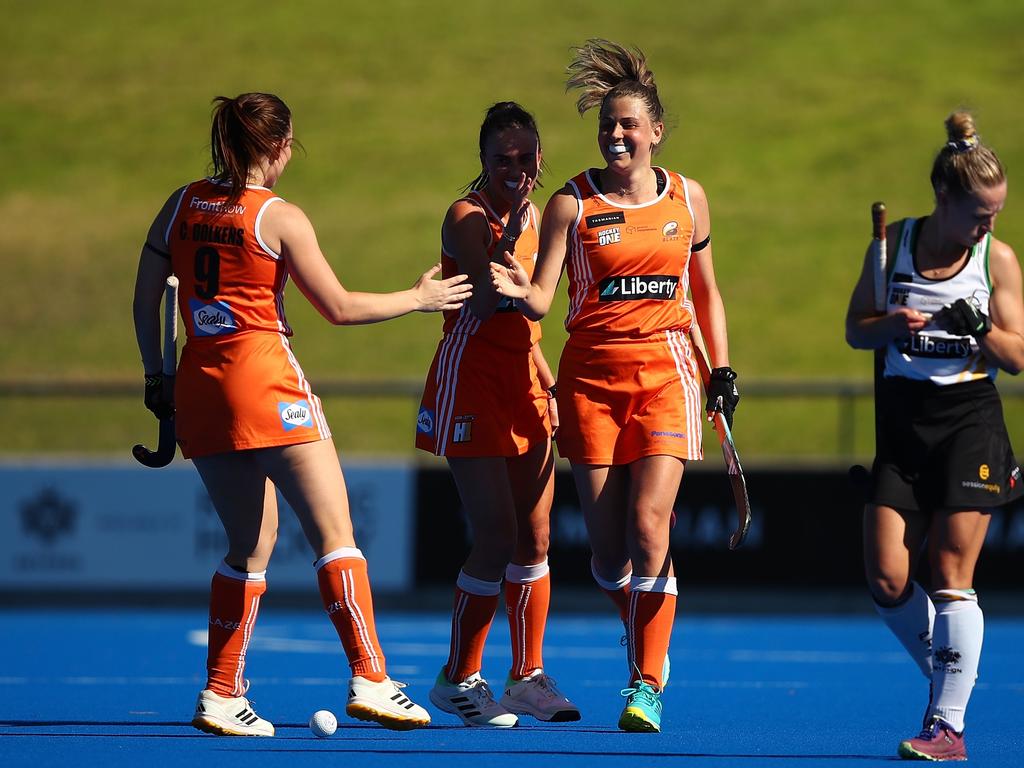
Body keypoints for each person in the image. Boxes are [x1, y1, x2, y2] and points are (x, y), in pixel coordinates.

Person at [132, 92, 472, 736]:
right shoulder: (279, 217)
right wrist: (420, 296)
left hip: (201, 386)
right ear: (282, 147)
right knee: (334, 535)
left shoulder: (180, 204)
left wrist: (157, 374)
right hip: (266, 381)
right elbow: (338, 307)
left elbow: (147, 294)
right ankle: (371, 677)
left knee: (248, 547)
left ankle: (221, 692)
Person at [490, 40, 738, 733]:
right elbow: (543, 301)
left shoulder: (688, 198)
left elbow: (707, 292)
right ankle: (646, 628)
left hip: (667, 374)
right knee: (605, 553)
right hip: (591, 383)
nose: (617, 134)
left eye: (629, 123)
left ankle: (648, 681)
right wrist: (514, 287)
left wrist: (721, 367)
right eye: (608, 125)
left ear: (656, 129)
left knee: (647, 524)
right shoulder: (572, 202)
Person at [845, 111, 1024, 762]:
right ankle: (953, 673)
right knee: (887, 576)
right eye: (979, 212)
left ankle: (948, 724)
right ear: (944, 199)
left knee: (951, 568)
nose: (989, 225)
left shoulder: (995, 260)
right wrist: (889, 320)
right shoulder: (892, 247)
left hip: (969, 420)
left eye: (996, 212)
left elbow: (1017, 355)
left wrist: (977, 326)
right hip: (903, 420)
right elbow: (856, 329)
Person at [416, 102, 579, 727]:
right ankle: (458, 676)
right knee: (495, 535)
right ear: (482, 162)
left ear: (539, 158)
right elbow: (484, 305)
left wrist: (548, 380)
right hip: (472, 379)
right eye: (500, 159)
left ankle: (526, 676)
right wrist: (504, 249)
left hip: (523, 382)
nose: (514, 169)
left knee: (536, 536)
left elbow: (531, 318)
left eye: (523, 157)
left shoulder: (542, 215)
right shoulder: (466, 217)